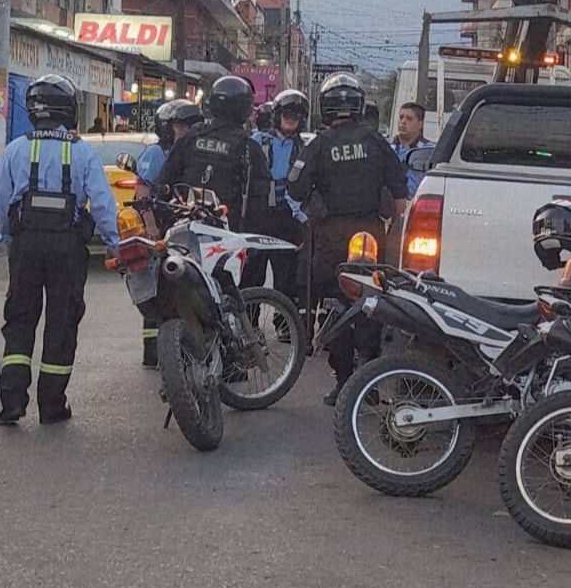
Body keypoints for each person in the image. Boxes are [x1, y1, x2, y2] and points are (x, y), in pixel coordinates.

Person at [0, 74, 121, 425]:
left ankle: (12, 403)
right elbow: (104, 203)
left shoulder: (16, 149)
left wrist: (7, 237)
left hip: (26, 245)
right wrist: (115, 244)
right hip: (67, 247)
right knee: (61, 323)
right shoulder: (82, 152)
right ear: (69, 111)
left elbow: (2, 202)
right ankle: (51, 405)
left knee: (19, 319)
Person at [290, 73, 408, 405]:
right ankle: (366, 382)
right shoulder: (376, 142)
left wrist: (316, 202)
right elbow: (400, 197)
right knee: (371, 304)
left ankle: (343, 382)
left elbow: (295, 188)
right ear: (357, 105)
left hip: (330, 239)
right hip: (370, 237)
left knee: (335, 306)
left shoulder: (318, 146)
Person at [134, 98, 204, 370]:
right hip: (162, 227)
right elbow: (143, 193)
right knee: (157, 288)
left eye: (188, 126)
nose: (183, 132)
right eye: (178, 126)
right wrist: (151, 229)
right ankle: (154, 351)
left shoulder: (196, 151)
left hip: (189, 229)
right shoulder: (156, 154)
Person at [156, 75, 270, 233]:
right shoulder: (249, 147)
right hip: (228, 235)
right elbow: (260, 204)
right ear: (246, 109)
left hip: (187, 229)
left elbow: (164, 181)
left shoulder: (191, 138)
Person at [241, 89, 309, 303]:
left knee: (286, 280)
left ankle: (285, 328)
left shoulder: (305, 149)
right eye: (286, 115)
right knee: (251, 276)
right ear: (276, 116)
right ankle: (248, 326)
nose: (290, 120)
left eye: (296, 116)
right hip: (257, 220)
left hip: (288, 223)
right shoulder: (255, 142)